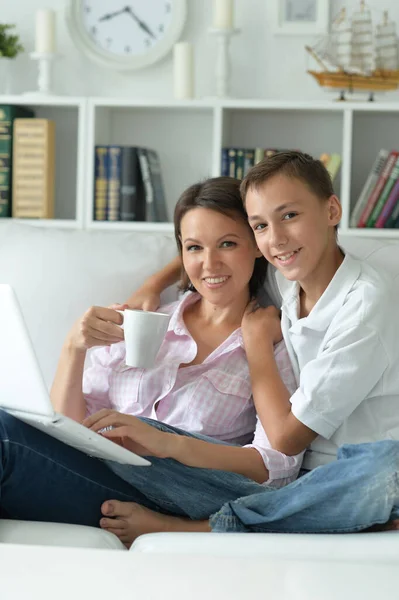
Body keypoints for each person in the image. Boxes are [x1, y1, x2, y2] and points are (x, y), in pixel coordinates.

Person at [0, 176, 302, 547]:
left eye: (227, 243)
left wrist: (162, 441)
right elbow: (71, 430)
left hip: (171, 494)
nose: (209, 264)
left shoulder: (268, 344)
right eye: (194, 247)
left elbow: (279, 468)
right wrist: (74, 349)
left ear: (256, 245)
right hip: (96, 471)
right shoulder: (143, 320)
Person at [112, 150, 399, 538]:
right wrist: (153, 285)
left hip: (348, 468)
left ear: (332, 211)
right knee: (143, 434)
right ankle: (280, 515)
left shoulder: (364, 302)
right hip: (295, 478)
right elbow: (211, 251)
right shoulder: (287, 273)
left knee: (385, 470)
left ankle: (193, 528)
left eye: (290, 216)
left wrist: (257, 343)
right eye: (260, 226)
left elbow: (285, 438)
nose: (276, 239)